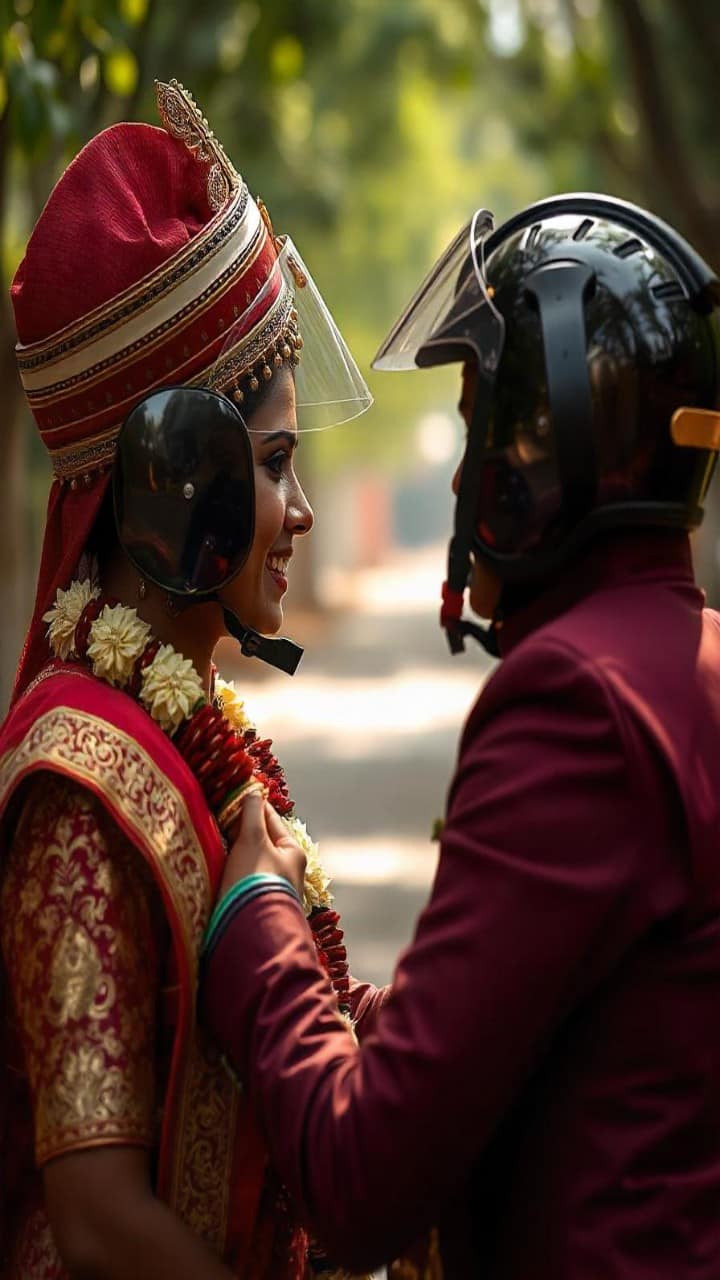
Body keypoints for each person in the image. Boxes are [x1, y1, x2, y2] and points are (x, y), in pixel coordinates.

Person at [200, 194, 720, 1279]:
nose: (455, 474)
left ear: (558, 447)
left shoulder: (576, 701)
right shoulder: (696, 657)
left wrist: (260, 921)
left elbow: (361, 1183)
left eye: (486, 420)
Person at [0, 79, 376, 1278]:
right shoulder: (77, 787)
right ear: (181, 484)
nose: (305, 511)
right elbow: (100, 1217)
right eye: (273, 465)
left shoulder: (189, 727)